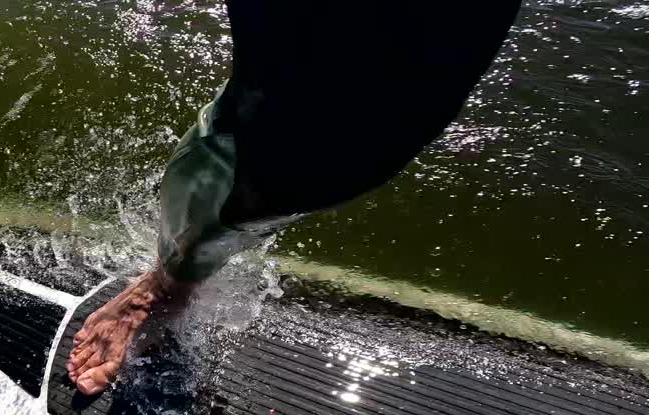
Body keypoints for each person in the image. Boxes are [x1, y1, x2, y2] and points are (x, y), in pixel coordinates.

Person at [68, 0, 523, 395]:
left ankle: (163, 288)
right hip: (394, 114)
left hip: (302, 128)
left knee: (242, 163)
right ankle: (180, 271)